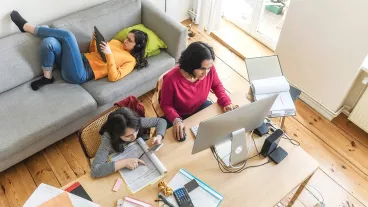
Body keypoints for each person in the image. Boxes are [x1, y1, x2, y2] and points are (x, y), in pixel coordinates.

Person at [10, 11, 148, 91]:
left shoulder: (131, 61)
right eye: (127, 38)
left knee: (68, 36)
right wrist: (94, 41)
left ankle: (27, 27)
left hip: (80, 73)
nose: (125, 40)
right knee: (49, 42)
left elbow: (114, 77)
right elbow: (93, 52)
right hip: (78, 60)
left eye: (129, 41)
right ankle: (47, 78)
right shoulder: (117, 42)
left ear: (137, 46)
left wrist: (109, 55)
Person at [160, 41, 238, 141]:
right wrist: (176, 119)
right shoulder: (170, 79)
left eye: (209, 68)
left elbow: (217, 85)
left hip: (200, 106)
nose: (206, 73)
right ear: (191, 64)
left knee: (216, 131)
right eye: (202, 68)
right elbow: (166, 105)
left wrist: (226, 102)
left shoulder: (209, 69)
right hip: (178, 115)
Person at [90, 107, 167, 178]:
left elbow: (161, 121)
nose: (134, 137)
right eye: (128, 136)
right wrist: (124, 163)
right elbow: (95, 171)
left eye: (136, 131)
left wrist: (159, 136)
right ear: (117, 135)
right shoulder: (107, 139)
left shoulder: (133, 123)